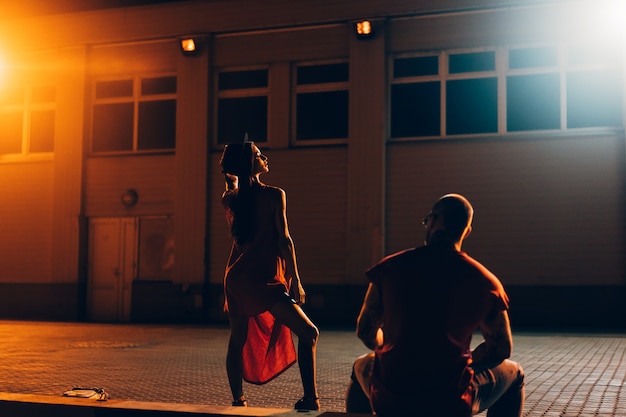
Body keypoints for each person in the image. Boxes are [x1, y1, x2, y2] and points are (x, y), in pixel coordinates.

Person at [345, 193, 524, 417]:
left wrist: (386, 347)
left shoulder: (390, 269)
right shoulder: (485, 282)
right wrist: (470, 360)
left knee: (360, 365)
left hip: (391, 397)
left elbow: (366, 331)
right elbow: (501, 348)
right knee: (515, 373)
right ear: (466, 231)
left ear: (432, 220)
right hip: (450, 402)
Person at [219, 141, 320, 411]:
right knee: (309, 332)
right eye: (257, 155)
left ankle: (238, 400)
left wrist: (231, 179)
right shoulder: (275, 195)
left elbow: (233, 190)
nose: (264, 157)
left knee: (237, 338)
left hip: (238, 279)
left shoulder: (230, 199)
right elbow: (284, 239)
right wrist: (296, 277)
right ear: (249, 164)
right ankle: (310, 398)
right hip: (263, 279)